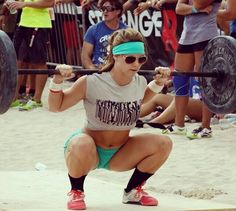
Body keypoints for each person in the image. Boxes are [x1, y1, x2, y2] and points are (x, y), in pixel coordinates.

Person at [48, 28, 172, 210]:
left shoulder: (139, 82)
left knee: (164, 143)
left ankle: (132, 192)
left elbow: (141, 98)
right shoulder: (91, 82)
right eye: (130, 59)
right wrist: (57, 81)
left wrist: (159, 82)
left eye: (141, 59)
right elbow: (56, 106)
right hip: (88, 151)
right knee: (81, 143)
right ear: (116, 56)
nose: (136, 64)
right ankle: (76, 191)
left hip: (120, 154)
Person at [161, 0, 222, 139]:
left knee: (205, 80)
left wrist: (194, 8)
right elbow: (179, 8)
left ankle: (206, 127)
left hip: (206, 35)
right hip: (187, 36)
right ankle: (179, 125)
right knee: (180, 79)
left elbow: (199, 3)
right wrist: (197, 10)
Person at [7, 0, 54, 110]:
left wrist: (25, 4)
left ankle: (37, 99)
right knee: (18, 61)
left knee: (39, 62)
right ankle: (14, 97)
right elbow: (22, 2)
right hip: (23, 23)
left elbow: (50, 3)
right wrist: (13, 3)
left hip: (39, 24)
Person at [81, 0, 127, 69]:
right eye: (103, 9)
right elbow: (85, 55)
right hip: (99, 70)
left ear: (118, 11)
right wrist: (93, 70)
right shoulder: (93, 29)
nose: (105, 11)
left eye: (108, 8)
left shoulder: (126, 31)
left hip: (119, 71)